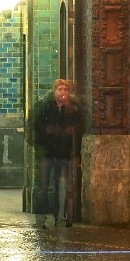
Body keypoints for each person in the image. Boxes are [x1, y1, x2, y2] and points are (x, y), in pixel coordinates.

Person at [27, 78, 85, 226]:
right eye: (60, 89)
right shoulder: (45, 106)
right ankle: (41, 217)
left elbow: (78, 129)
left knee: (62, 185)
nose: (62, 92)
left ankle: (61, 215)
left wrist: (75, 153)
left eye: (65, 89)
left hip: (64, 152)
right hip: (47, 151)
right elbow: (35, 125)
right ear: (54, 91)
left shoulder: (72, 109)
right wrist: (44, 137)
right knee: (43, 185)